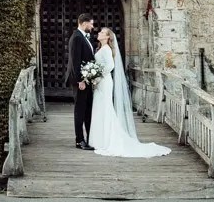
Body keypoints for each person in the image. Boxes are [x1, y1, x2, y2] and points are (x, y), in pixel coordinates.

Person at [88, 27, 171, 158]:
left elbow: (110, 66)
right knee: (100, 108)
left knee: (105, 108)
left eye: (102, 33)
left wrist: (97, 76)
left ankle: (106, 140)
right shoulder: (101, 49)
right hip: (100, 82)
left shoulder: (106, 49)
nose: (99, 33)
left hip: (104, 82)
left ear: (108, 37)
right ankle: (100, 139)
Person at [64, 13, 95, 150]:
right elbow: (75, 61)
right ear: (83, 23)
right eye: (91, 24)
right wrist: (80, 80)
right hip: (80, 81)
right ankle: (79, 140)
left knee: (87, 110)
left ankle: (90, 137)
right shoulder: (77, 37)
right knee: (80, 110)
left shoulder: (84, 37)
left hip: (86, 80)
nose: (92, 27)